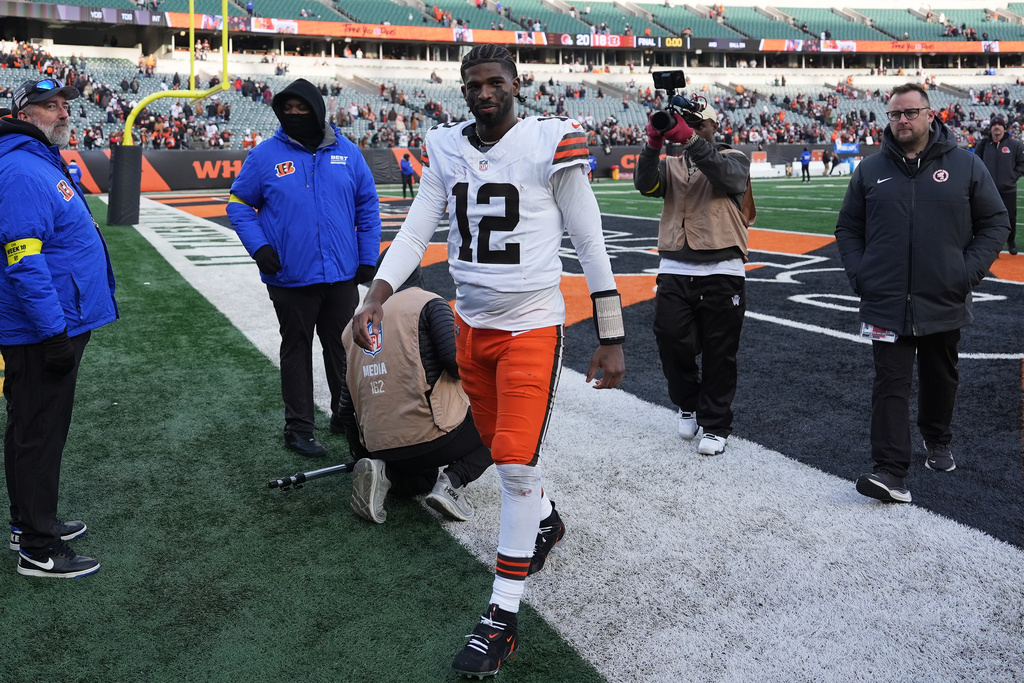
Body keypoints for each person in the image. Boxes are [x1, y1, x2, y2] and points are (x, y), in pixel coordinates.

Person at [349, 44, 625, 679]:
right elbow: (417, 229)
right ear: (462, 87)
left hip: (530, 325)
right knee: (504, 450)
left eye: (495, 82)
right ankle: (547, 524)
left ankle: (500, 619)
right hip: (472, 323)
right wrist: (376, 296)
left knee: (515, 463)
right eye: (474, 83)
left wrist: (611, 335)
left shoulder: (550, 141)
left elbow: (588, 238)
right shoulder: (446, 146)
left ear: (516, 84)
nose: (484, 92)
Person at [835, 83, 1009, 504]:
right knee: (890, 383)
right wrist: (862, 275)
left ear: (931, 115)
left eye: (911, 112)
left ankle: (937, 439)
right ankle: (891, 471)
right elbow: (848, 228)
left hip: (944, 297)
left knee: (940, 377)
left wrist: (964, 274)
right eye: (895, 115)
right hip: (884, 299)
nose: (902, 121)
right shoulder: (870, 169)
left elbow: (996, 223)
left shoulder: (965, 166)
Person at [0, 78, 118, 578]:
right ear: (25, 114)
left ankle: (28, 522)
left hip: (55, 321)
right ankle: (39, 547)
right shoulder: (24, 169)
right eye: (50, 106)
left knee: (33, 428)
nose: (63, 113)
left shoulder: (37, 159)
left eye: (64, 104)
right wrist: (52, 333)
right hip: (42, 328)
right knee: (40, 433)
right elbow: (23, 260)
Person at [227, 78, 381, 459]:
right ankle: (298, 428)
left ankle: (345, 415)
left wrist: (367, 257)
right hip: (290, 276)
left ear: (318, 110)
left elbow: (368, 206)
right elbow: (239, 205)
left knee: (343, 348)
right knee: (296, 349)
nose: (294, 115)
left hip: (342, 274)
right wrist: (259, 247)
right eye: (287, 109)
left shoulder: (347, 151)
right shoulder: (263, 156)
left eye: (302, 108)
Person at [635, 103, 753, 457]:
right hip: (675, 265)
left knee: (720, 350)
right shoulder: (671, 165)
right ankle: (688, 403)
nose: (690, 128)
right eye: (686, 123)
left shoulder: (736, 158)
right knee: (670, 339)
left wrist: (689, 140)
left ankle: (716, 424)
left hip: (723, 265)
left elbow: (729, 179)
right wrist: (653, 144)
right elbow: (645, 184)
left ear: (714, 125)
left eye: (698, 123)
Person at [340, 258, 493, 524]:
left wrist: (363, 455)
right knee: (505, 416)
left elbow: (345, 407)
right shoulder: (428, 302)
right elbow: (457, 366)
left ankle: (384, 473)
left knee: (421, 480)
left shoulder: (353, 326)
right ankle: (454, 481)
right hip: (435, 435)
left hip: (380, 446)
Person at [974, 114, 1023, 255]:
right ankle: (992, 245)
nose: (996, 127)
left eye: (999, 124)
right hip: (988, 190)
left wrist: (1012, 176)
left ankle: (1011, 241)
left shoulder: (1015, 145)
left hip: (1008, 190)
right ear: (990, 128)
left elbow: (1022, 164)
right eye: (994, 125)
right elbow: (975, 164)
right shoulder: (983, 145)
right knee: (987, 219)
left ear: (1004, 127)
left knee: (1010, 218)